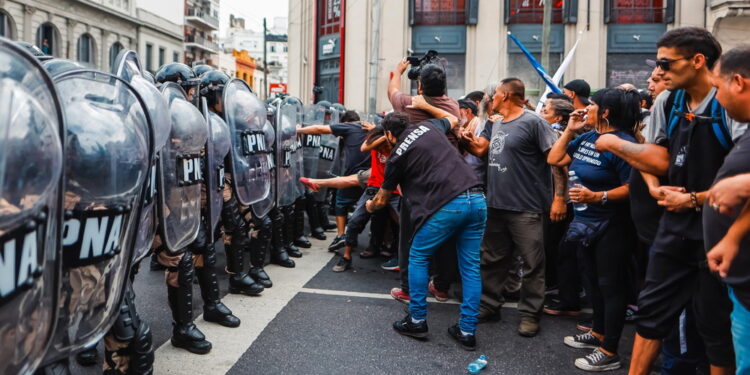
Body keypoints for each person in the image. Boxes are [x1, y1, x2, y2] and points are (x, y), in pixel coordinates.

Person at [593, 27, 745, 375]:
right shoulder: (669, 101)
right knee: (650, 312)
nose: (657, 72)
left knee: (714, 324)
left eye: (665, 63)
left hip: (720, 228)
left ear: (697, 61)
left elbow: (742, 181)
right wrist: (644, 174)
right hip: (673, 225)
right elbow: (661, 156)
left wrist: (695, 199)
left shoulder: (729, 105)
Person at [365, 97, 486, 351]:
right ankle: (466, 330)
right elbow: (453, 119)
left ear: (389, 134)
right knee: (471, 267)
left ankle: (417, 320)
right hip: (477, 198)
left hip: (448, 205)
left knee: (417, 256)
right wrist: (428, 106)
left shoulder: (397, 155)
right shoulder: (430, 126)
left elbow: (382, 199)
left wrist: (370, 206)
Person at [460, 78, 566, 337]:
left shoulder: (534, 122)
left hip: (527, 207)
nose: (491, 98)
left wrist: (559, 198)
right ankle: (489, 305)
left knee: (532, 264)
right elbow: (481, 150)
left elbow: (558, 161)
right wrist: (463, 138)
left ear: (506, 95)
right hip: (496, 204)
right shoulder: (493, 123)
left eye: (495, 94)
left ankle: (530, 314)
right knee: (492, 259)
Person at [548, 88, 641, 371]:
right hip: (585, 225)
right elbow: (555, 159)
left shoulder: (622, 144)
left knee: (611, 287)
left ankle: (609, 350)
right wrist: (570, 130)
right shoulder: (589, 137)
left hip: (612, 226)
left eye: (593, 105)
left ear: (606, 112)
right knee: (592, 283)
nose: (586, 109)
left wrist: (597, 196)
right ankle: (597, 332)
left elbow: (632, 187)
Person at [387, 59, 461, 304]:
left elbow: (392, 90)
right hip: (448, 182)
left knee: (410, 238)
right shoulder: (452, 106)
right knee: (446, 239)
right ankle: (440, 287)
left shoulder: (408, 103)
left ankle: (408, 289)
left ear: (419, 86)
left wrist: (398, 71)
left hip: (416, 183)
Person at [704, 45, 750, 375]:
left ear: (738, 82)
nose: (717, 98)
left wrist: (745, 183)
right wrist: (733, 236)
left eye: (717, 87)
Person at [295, 111, 371, 253]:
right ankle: (372, 244)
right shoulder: (369, 128)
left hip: (354, 175)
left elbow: (319, 129)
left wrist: (297, 130)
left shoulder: (349, 127)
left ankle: (341, 235)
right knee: (368, 207)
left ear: (345, 122)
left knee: (341, 202)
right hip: (372, 175)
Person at [330, 126, 401, 272]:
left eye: (386, 147)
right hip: (374, 186)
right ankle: (346, 257)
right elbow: (364, 147)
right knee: (355, 220)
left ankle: (401, 257)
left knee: (403, 224)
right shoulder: (376, 142)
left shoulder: (399, 144)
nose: (383, 151)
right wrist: (384, 136)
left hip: (394, 189)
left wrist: (391, 139)